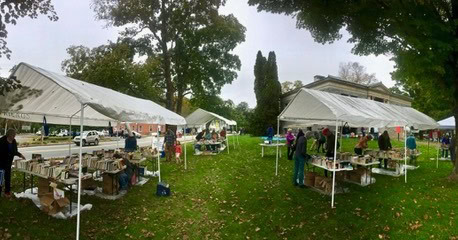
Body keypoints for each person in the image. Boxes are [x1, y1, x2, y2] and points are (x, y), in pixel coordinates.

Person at [0, 129, 26, 197]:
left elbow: (15, 151)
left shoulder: (14, 141)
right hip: (1, 163)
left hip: (8, 163)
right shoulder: (1, 140)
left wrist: (20, 155)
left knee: (8, 178)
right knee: (0, 178)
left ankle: (7, 192)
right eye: (13, 135)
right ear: (9, 135)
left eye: (14, 135)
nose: (14, 137)